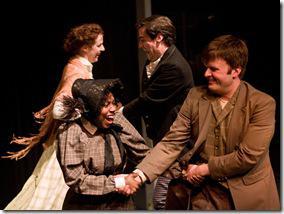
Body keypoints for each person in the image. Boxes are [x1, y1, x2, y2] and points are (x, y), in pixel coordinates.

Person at [126, 34, 280, 210]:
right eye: (206, 68)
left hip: (246, 193)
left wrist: (204, 169)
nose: (206, 74)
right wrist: (139, 175)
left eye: (214, 69)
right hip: (205, 192)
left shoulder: (262, 103)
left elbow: (247, 157)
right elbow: (172, 141)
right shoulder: (196, 96)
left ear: (236, 71)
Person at [3, 23, 105, 210]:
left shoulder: (78, 67)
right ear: (85, 47)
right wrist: (88, 113)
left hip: (72, 143)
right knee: (53, 197)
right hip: (70, 146)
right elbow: (59, 109)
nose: (103, 49)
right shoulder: (77, 72)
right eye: (98, 45)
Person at [120, 15, 194, 210]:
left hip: (177, 141)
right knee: (164, 196)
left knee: (164, 196)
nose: (140, 45)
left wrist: (117, 114)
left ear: (159, 38)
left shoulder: (174, 66)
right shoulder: (155, 60)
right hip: (162, 135)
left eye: (143, 39)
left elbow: (148, 100)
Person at [56, 78, 150, 210]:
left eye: (113, 103)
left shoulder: (116, 120)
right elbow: (76, 179)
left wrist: (139, 176)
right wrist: (118, 182)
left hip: (120, 204)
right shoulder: (72, 131)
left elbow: (144, 153)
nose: (113, 109)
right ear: (92, 108)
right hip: (87, 205)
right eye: (106, 105)